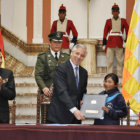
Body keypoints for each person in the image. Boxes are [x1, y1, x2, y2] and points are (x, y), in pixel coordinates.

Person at [47, 44, 88, 124]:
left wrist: (86, 99)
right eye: (77, 53)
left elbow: (82, 92)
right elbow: (62, 92)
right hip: (59, 117)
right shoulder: (60, 69)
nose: (79, 57)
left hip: (75, 119)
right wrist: (74, 109)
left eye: (82, 55)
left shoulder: (84, 72)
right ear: (71, 53)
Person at [35, 31, 69, 123]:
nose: (57, 44)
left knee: (63, 120)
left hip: (63, 94)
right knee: (47, 121)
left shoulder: (67, 57)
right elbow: (38, 75)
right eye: (55, 42)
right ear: (50, 43)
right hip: (48, 94)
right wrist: (44, 88)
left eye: (59, 42)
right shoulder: (43, 57)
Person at [103, 3, 129, 77]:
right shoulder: (108, 21)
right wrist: (104, 43)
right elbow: (105, 32)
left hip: (119, 42)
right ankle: (109, 76)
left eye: (116, 10)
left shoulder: (123, 21)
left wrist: (126, 41)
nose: (115, 12)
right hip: (110, 43)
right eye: (114, 11)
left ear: (119, 12)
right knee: (109, 61)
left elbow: (128, 31)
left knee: (120, 61)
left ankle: (120, 76)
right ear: (112, 12)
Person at [0, 51, 16, 123]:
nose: (0, 61)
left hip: (2, 116)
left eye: (1, 58)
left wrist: (1, 87)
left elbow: (12, 95)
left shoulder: (8, 73)